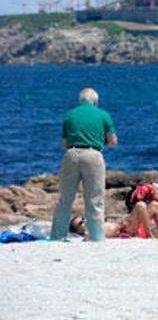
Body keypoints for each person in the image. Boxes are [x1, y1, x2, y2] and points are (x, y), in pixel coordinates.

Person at [50, 88, 117, 242]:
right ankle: (97, 237)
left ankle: (57, 236)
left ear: (80, 100)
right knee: (95, 199)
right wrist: (99, 143)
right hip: (93, 154)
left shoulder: (70, 115)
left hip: (72, 154)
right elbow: (113, 140)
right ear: (95, 101)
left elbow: (65, 143)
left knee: (65, 198)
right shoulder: (103, 115)